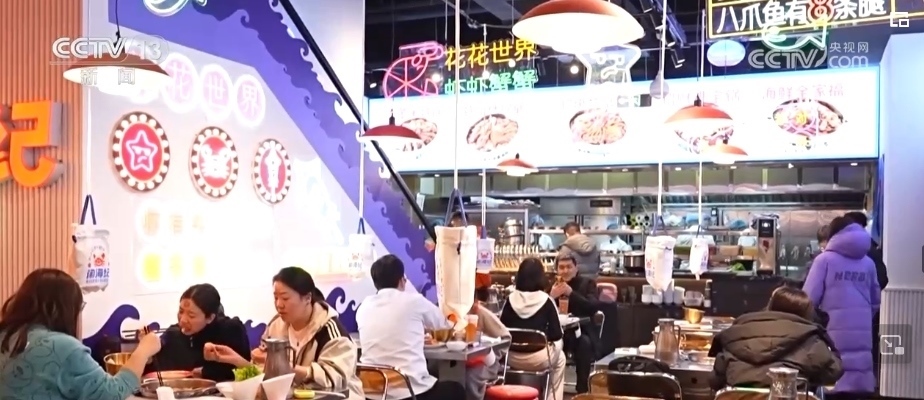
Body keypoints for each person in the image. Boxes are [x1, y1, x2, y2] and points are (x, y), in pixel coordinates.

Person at [0, 268, 162, 399]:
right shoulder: (62, 347)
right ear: (65, 308)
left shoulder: (6, 336)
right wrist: (143, 350)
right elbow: (112, 394)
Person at [209, 267, 364, 399]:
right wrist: (236, 360)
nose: (279, 304)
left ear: (307, 298)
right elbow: (265, 374)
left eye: (285, 298)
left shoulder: (330, 332)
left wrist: (284, 367)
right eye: (275, 297)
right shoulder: (276, 325)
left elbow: (334, 379)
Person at [357, 255, 464, 400]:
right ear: (402, 280)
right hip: (408, 393)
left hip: (371, 394)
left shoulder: (364, 306)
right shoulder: (414, 301)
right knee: (456, 390)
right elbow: (444, 325)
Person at [709, 286, 843, 390]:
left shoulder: (736, 334)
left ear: (770, 306)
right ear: (807, 313)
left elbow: (715, 381)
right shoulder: (812, 341)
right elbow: (833, 374)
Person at [804, 216, 880, 396]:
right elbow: (876, 301)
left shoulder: (824, 260)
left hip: (832, 336)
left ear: (833, 235)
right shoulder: (868, 263)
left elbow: (808, 300)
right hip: (862, 336)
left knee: (833, 384)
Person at [150, 284, 250, 382]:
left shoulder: (231, 330)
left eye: (191, 315)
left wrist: (206, 372)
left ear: (210, 318)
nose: (182, 320)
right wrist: (147, 355)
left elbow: (249, 375)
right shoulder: (173, 334)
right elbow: (153, 367)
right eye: (181, 311)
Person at [500, 258, 566, 400]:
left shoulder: (509, 300)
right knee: (560, 358)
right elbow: (556, 334)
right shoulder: (546, 300)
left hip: (510, 357)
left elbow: (501, 331)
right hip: (539, 359)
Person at [550, 254, 599, 394]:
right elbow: (540, 307)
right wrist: (551, 296)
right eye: (561, 267)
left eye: (569, 267)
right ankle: (548, 388)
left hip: (580, 331)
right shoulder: (551, 285)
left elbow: (592, 307)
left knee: (584, 343)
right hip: (556, 333)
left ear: (576, 268)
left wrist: (571, 293)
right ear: (557, 270)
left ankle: (582, 390)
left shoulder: (588, 284)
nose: (565, 271)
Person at [465, 272, 511, 400]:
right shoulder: (450, 314)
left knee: (469, 376)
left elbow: (506, 337)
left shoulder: (481, 313)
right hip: (459, 361)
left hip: (484, 363)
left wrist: (491, 353)